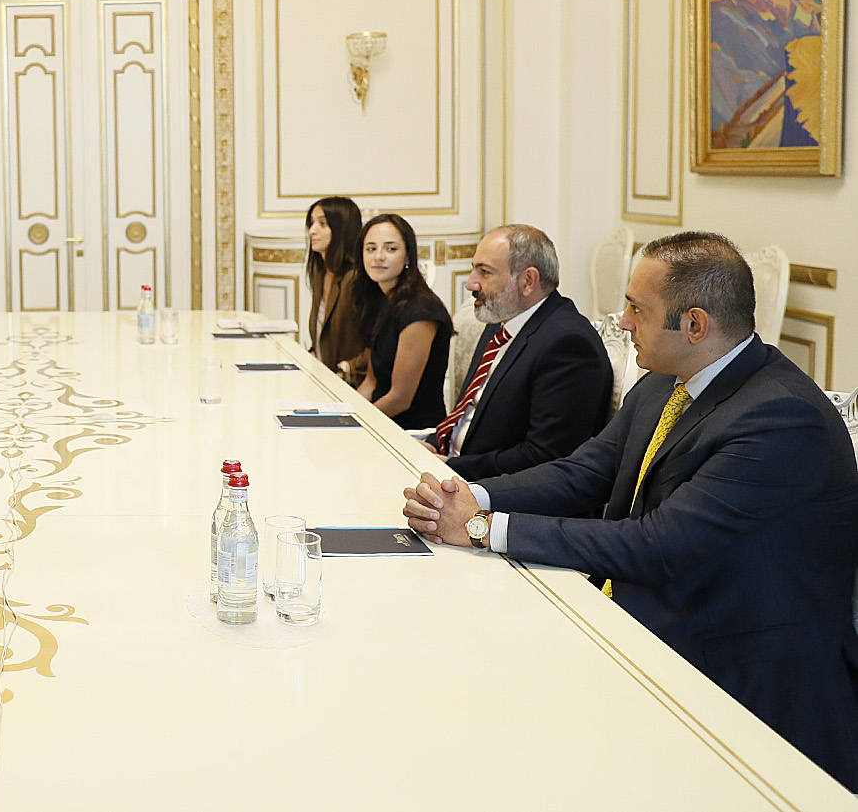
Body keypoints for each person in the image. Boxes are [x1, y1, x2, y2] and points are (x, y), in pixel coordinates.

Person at [401, 231, 858, 789]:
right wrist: (474, 497)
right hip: (650, 617)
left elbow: (657, 544)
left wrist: (482, 529)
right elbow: (584, 472)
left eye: (637, 309)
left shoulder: (780, 417)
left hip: (743, 675)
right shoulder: (666, 382)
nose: (622, 321)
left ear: (695, 325)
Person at [434, 224, 613, 480]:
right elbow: (468, 414)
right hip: (451, 466)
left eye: (484, 272)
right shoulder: (502, 318)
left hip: (493, 490)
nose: (471, 283)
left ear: (528, 281)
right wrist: (431, 445)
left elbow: (545, 457)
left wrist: (452, 466)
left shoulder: (568, 345)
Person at [352, 213, 452, 428]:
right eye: (371, 248)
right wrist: (345, 413)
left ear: (408, 257)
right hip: (382, 420)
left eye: (391, 249)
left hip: (413, 432)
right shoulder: (379, 301)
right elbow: (371, 382)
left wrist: (355, 424)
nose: (378, 257)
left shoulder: (420, 311)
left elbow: (400, 398)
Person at [304, 196, 367, 382]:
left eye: (322, 224)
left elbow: (376, 346)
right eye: (312, 223)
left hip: (349, 383)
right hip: (324, 378)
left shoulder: (355, 279)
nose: (312, 230)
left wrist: (345, 372)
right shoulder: (321, 273)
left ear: (342, 231)